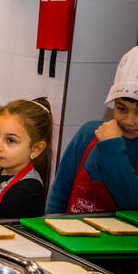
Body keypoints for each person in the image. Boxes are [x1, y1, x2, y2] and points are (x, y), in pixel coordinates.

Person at [47, 46, 138, 213]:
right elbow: (60, 191)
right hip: (68, 235)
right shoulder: (88, 133)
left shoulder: (110, 143)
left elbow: (131, 202)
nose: (129, 121)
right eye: (122, 108)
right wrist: (50, 225)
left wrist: (112, 147)